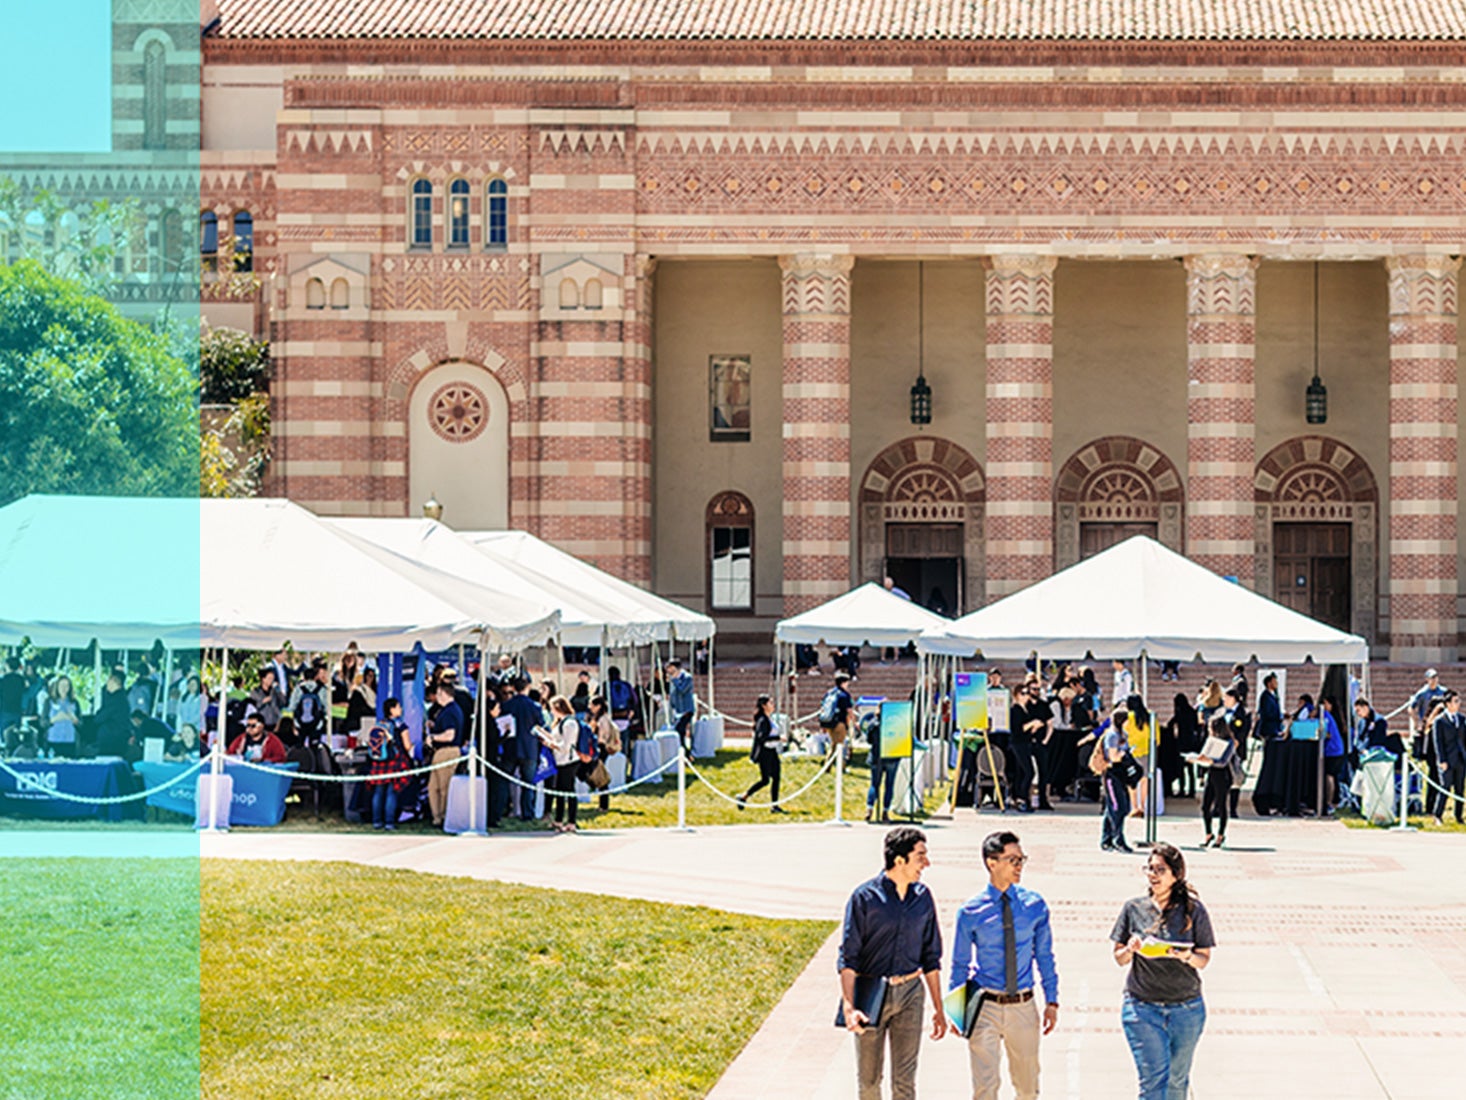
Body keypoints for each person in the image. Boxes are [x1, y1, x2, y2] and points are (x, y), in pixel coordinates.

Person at [948, 831, 1059, 1100]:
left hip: (1023, 1006)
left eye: (1021, 860)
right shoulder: (970, 911)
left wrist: (1052, 1001)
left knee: (1027, 1086)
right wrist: (955, 1011)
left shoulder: (1035, 906)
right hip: (985, 1005)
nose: (1019, 866)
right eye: (1013, 860)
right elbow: (960, 964)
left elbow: (1044, 956)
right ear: (991, 862)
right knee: (985, 1087)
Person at [837, 827, 946, 1100]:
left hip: (911, 993)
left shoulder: (923, 898)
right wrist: (850, 1007)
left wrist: (939, 1008)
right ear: (899, 860)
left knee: (905, 1083)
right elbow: (848, 958)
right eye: (920, 856)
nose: (926, 863)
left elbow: (931, 957)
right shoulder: (864, 898)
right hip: (870, 995)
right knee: (870, 1082)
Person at [1111, 843, 1215, 1100]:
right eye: (1150, 868)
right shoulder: (1134, 908)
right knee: (1153, 1083)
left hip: (1186, 1008)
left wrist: (1187, 956)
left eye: (1160, 869)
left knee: (1177, 1081)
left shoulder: (1193, 910)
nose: (1153, 875)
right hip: (1142, 1007)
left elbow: (1204, 959)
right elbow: (1119, 957)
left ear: (1176, 875)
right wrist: (1131, 949)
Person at [425, 680, 464, 827]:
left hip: (447, 751)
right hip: (443, 751)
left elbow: (450, 735)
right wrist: (435, 726)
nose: (436, 696)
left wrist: (433, 737)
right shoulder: (451, 710)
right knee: (433, 787)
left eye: (439, 693)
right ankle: (437, 817)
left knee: (443, 787)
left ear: (444, 694)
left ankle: (444, 816)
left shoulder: (449, 711)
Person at [540, 695, 582, 833]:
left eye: (552, 708)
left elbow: (566, 746)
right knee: (559, 791)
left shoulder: (570, 723)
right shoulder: (560, 722)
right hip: (560, 761)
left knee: (569, 791)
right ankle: (559, 820)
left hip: (568, 761)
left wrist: (551, 744)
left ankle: (571, 821)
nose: (551, 711)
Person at [505, 677, 545, 820]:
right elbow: (541, 725)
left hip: (511, 747)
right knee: (528, 783)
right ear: (527, 687)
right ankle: (527, 813)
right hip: (529, 748)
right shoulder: (535, 707)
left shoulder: (507, 705)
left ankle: (505, 809)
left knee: (505, 781)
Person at [1194, 716, 1236, 848]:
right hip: (1211, 774)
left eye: (1210, 727)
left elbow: (1224, 762)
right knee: (1205, 806)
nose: (1208, 730)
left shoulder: (1229, 742)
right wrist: (1198, 760)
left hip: (1223, 776)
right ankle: (1208, 833)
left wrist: (1210, 761)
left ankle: (1220, 835)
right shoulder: (1211, 740)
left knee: (1221, 806)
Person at [738, 694, 785, 814]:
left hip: (772, 752)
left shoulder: (769, 718)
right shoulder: (762, 720)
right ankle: (744, 796)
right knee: (765, 780)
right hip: (765, 753)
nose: (773, 705)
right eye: (770, 703)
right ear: (764, 706)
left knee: (776, 778)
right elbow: (762, 738)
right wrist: (779, 738)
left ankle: (774, 805)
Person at [1097, 708, 1134, 853]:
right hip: (1112, 773)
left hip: (1121, 774)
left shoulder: (1123, 734)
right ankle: (1118, 838)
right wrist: (1124, 753)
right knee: (1118, 807)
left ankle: (1106, 839)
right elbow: (1113, 756)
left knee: (1115, 807)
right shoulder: (1112, 735)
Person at [366, 719, 413, 831]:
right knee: (391, 793)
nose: (400, 709)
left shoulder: (379, 724)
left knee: (378, 793)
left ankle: (377, 821)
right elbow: (406, 746)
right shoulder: (398, 725)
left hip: (378, 763)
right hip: (393, 762)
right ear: (392, 709)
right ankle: (389, 823)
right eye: (398, 707)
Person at [1251, 673, 1286, 815]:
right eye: (1274, 681)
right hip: (1270, 729)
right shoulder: (1265, 696)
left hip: (1275, 728)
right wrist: (1279, 718)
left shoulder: (1274, 695)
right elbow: (1267, 714)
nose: (1276, 683)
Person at [1429, 691, 1466, 826]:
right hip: (1447, 760)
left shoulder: (1461, 719)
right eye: (1455, 701)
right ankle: (1437, 815)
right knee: (1445, 787)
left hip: (1460, 759)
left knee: (1460, 789)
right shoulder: (1439, 721)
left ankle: (1459, 815)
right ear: (1447, 704)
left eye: (1458, 701)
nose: (1458, 704)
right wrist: (1442, 760)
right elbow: (1437, 742)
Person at [865, 709, 901, 822]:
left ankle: (869, 808)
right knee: (889, 785)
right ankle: (885, 811)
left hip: (876, 757)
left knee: (874, 784)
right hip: (892, 756)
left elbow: (868, 740)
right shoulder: (896, 724)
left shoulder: (873, 724)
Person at [587, 694, 621, 812]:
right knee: (599, 775)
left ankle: (604, 805)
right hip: (600, 748)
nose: (590, 707)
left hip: (601, 748)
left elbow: (603, 737)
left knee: (600, 776)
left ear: (599, 706)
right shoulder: (600, 718)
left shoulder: (603, 719)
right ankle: (602, 804)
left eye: (592, 704)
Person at [1320, 696, 1346, 815]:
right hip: (1337, 750)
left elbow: (1327, 734)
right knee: (1332, 776)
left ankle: (1329, 802)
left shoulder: (1326, 716)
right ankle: (1333, 801)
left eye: (1325, 703)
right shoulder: (1334, 717)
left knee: (1329, 776)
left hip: (1332, 750)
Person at [44, 675, 80, 759]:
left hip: (69, 741)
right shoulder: (49, 701)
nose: (64, 688)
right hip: (53, 740)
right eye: (61, 686)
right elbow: (43, 722)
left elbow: (81, 723)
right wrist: (54, 719)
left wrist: (74, 719)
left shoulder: (74, 702)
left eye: (66, 686)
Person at [666, 658, 696, 749]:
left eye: (670, 668)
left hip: (686, 709)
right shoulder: (672, 680)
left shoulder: (687, 677)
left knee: (681, 730)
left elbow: (682, 690)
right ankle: (682, 750)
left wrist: (674, 680)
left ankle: (685, 752)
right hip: (677, 709)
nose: (668, 670)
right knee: (678, 730)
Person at [248, 667, 286, 732]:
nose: (271, 681)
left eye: (272, 679)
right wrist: (263, 701)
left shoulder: (274, 691)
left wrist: (279, 691)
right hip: (261, 721)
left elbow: (283, 702)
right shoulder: (256, 692)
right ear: (263, 679)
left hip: (275, 721)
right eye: (269, 678)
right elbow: (253, 707)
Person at [0, 657, 27, 739]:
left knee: (4, 735)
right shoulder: (21, 680)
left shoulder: (3, 680)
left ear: (7, 665)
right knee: (15, 735)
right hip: (17, 710)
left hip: (4, 709)